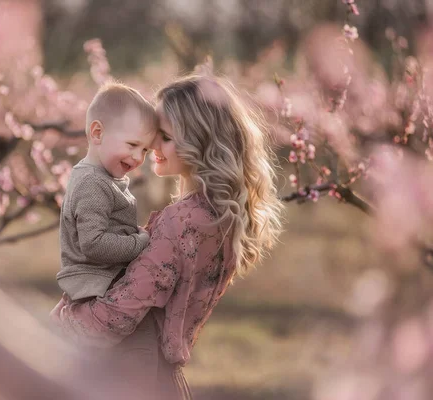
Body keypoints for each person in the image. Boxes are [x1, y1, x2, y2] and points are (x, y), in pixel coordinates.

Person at [51, 74, 284, 399]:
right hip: (164, 379)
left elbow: (116, 317)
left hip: (128, 375)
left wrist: (59, 324)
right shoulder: (223, 219)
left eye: (165, 137)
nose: (152, 146)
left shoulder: (183, 222)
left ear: (198, 142)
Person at [56, 82, 157, 302]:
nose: (139, 158)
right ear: (98, 133)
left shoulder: (101, 178)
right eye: (132, 144)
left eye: (145, 150)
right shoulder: (92, 183)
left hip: (102, 279)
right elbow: (94, 244)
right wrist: (138, 243)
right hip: (95, 285)